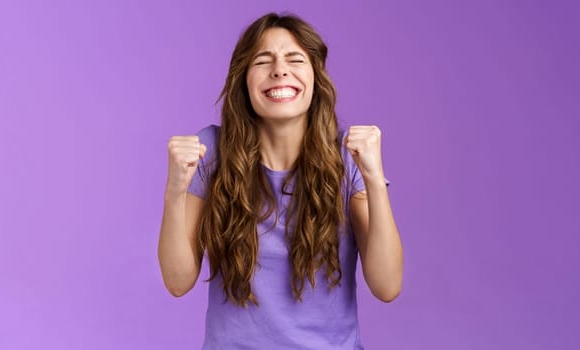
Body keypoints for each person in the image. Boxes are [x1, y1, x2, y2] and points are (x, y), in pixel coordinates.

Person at [158, 12, 403, 349]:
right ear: (243, 79)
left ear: (316, 77)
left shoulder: (347, 157)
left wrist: (374, 180)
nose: (279, 70)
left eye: (294, 59)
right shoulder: (211, 151)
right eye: (263, 60)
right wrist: (175, 191)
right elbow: (177, 281)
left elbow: (387, 286)